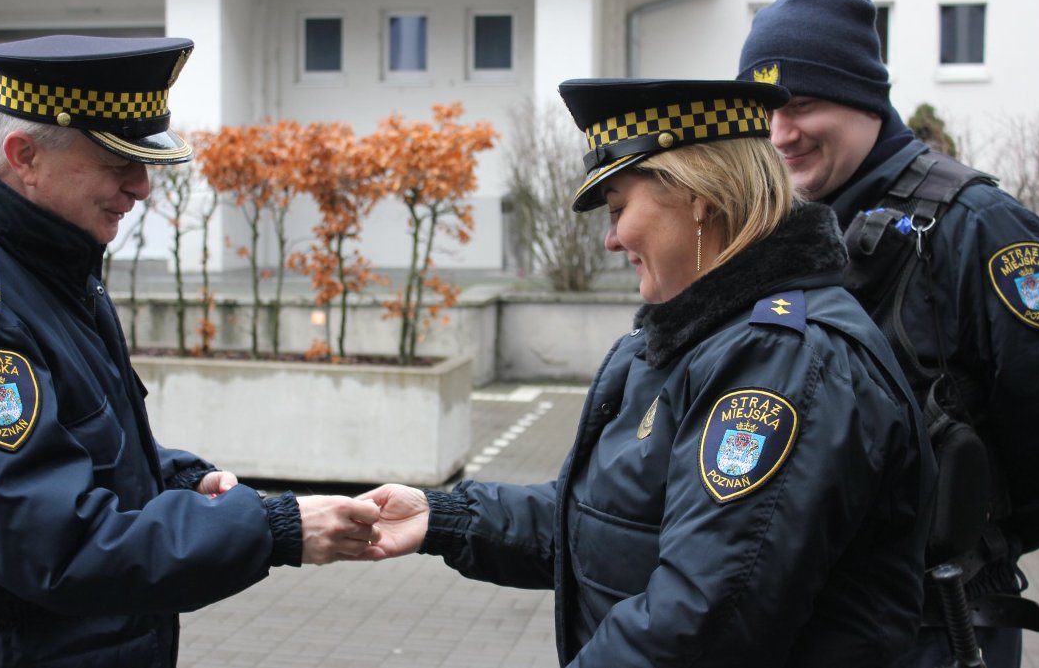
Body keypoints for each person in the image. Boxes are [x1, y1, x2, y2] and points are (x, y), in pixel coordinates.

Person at [356, 78, 935, 666]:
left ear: (697, 196)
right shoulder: (705, 336)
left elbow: (701, 623)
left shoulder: (778, 360)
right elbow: (610, 521)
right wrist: (447, 518)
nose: (610, 240)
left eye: (619, 209)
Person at [0, 35, 380, 667]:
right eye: (115, 162)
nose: (143, 187)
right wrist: (276, 529)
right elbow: (55, 544)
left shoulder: (40, 259)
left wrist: (171, 477)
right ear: (25, 156)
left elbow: (70, 438)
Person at [737, 0, 1039, 665]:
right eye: (764, 113)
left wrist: (964, 525)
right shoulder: (788, 233)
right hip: (815, 619)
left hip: (941, 626)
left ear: (864, 96)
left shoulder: (977, 226)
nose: (781, 133)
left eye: (803, 104)